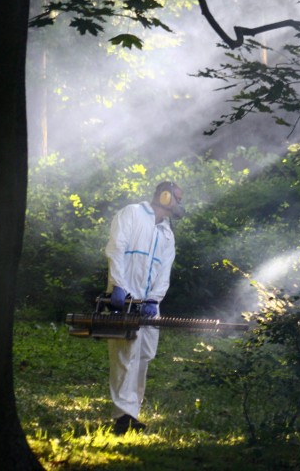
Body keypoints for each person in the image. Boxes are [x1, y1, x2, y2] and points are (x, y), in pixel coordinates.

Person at [104, 180, 185, 435]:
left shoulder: (167, 233)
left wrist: (153, 299)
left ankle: (133, 410)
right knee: (125, 354)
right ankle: (122, 415)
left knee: (145, 354)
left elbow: (164, 271)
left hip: (149, 303)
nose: (179, 204)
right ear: (163, 196)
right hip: (124, 296)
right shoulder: (132, 213)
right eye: (177, 198)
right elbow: (116, 248)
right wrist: (118, 285)